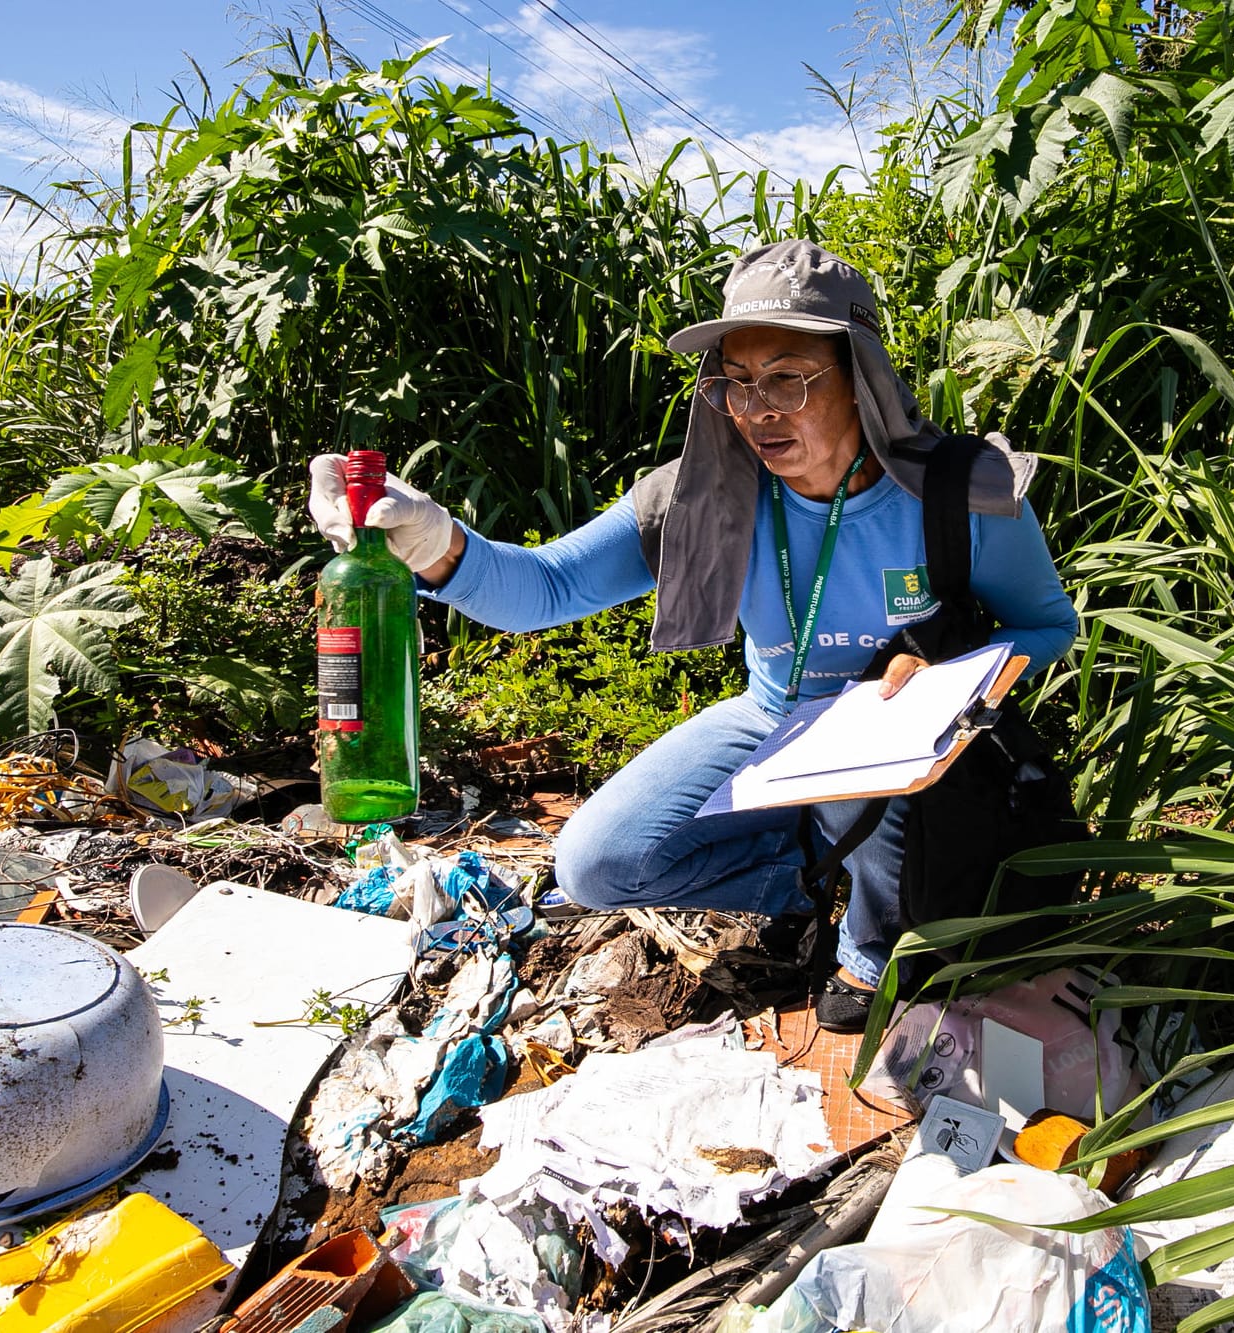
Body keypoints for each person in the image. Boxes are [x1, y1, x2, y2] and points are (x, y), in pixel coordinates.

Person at [309, 240, 1078, 1031]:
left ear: (862, 378)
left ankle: (867, 947)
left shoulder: (962, 493)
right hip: (774, 716)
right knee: (594, 863)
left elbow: (1050, 624)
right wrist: (436, 541)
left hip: (906, 743)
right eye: (737, 383)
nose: (757, 410)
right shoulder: (702, 498)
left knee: (891, 795)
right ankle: (809, 881)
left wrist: (951, 668)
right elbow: (548, 586)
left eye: (789, 377)